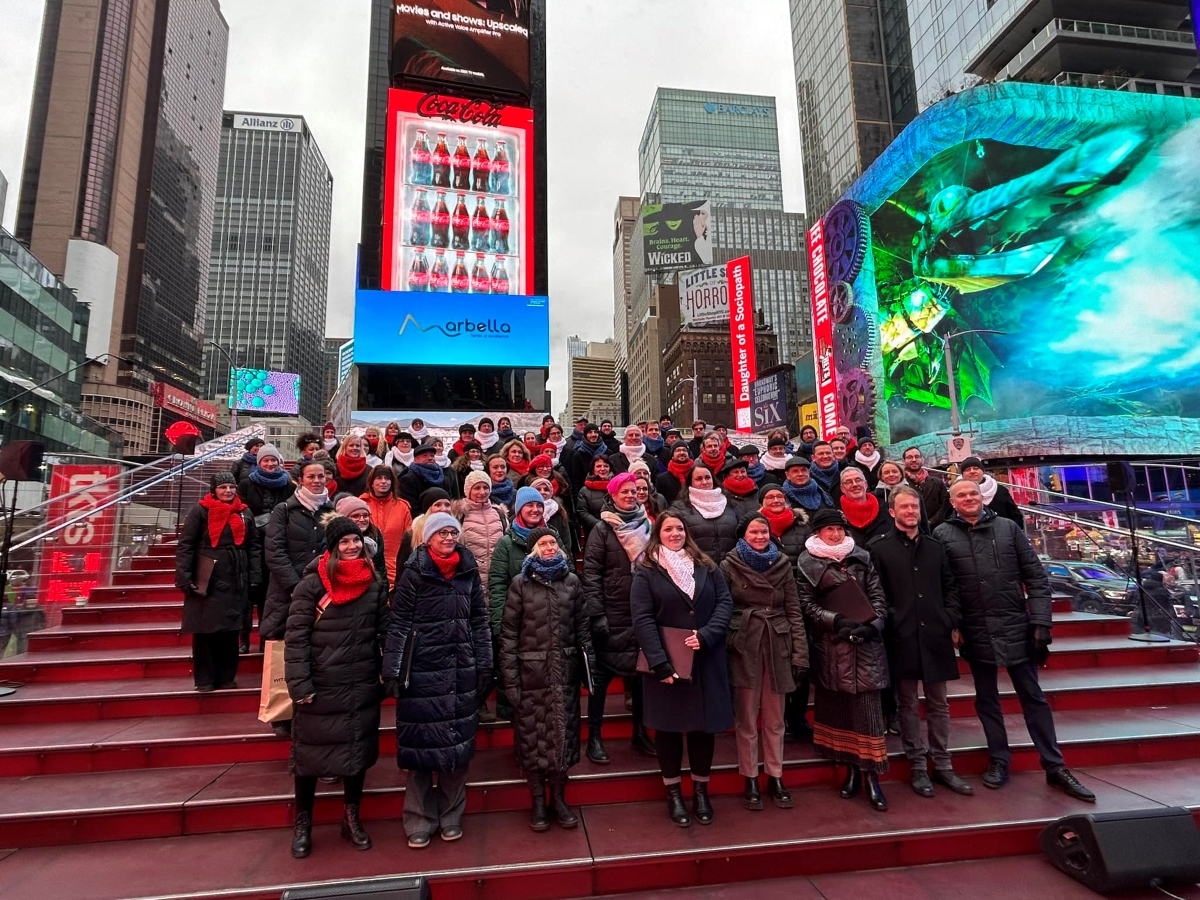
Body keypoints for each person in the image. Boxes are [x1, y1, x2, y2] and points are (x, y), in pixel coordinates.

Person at [935, 480, 1095, 801]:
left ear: (981, 497)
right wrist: (954, 625)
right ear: (953, 502)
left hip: (1015, 625)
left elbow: (1035, 576)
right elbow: (944, 587)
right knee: (986, 699)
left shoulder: (1008, 528)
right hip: (975, 628)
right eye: (961, 495)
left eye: (972, 493)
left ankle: (1054, 765)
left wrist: (1041, 624)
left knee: (1033, 697)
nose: (968, 499)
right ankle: (999, 759)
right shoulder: (941, 535)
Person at [383, 513, 492, 848]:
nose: (448, 537)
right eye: (442, 532)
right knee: (419, 748)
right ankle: (419, 818)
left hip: (460, 667)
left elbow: (478, 619)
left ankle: (451, 815)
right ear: (427, 537)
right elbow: (399, 621)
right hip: (422, 669)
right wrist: (393, 669)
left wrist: (485, 663)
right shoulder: (414, 571)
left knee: (456, 749)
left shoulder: (467, 569)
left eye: (453, 532)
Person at [285, 516, 388, 858]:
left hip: (360, 681)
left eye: (356, 540)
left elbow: (383, 630)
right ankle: (304, 824)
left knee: (356, 755)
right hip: (321, 683)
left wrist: (387, 672)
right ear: (332, 547)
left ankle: (351, 818)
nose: (352, 546)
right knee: (309, 758)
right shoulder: (312, 584)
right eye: (344, 542)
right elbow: (296, 637)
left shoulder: (372, 582)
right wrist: (299, 683)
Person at [869, 486, 973, 799]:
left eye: (914, 507)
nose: (911, 512)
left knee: (939, 703)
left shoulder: (935, 546)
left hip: (935, 634)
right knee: (907, 704)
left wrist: (949, 618)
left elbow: (951, 586)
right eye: (904, 507)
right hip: (901, 636)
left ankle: (943, 764)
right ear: (892, 512)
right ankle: (917, 765)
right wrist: (892, 620)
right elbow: (876, 593)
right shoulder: (879, 548)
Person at [631, 512, 733, 827]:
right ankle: (673, 793)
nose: (674, 533)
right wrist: (659, 662)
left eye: (679, 528)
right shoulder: (647, 572)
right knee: (669, 731)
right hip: (668, 662)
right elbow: (643, 618)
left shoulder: (707, 566)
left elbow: (725, 604)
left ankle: (701, 791)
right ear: (657, 533)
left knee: (703, 729)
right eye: (668, 529)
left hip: (706, 660)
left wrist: (707, 634)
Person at [796, 508, 890, 812]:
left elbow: (878, 596)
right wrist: (834, 621)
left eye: (839, 529)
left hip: (866, 646)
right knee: (839, 711)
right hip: (832, 645)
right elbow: (806, 604)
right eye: (829, 530)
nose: (835, 534)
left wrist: (872, 624)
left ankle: (872, 776)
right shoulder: (808, 562)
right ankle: (850, 769)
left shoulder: (862, 556)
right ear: (817, 533)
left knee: (868, 713)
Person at [501, 527, 595, 831]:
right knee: (533, 740)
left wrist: (588, 671)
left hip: (564, 674)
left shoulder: (572, 581)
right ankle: (538, 802)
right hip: (532, 676)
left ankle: (559, 799)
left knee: (562, 738)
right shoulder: (520, 584)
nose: (549, 546)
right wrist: (511, 681)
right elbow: (508, 638)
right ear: (533, 550)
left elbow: (583, 630)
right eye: (543, 543)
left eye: (553, 541)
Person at [720, 513, 808, 811]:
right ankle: (750, 776)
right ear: (742, 535)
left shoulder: (783, 564)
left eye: (764, 532)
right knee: (746, 718)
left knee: (774, 718)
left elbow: (794, 610)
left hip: (777, 643)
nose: (760, 537)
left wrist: (800, 652)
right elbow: (724, 609)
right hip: (745, 644)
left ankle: (776, 774)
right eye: (754, 532)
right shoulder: (728, 565)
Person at [582, 472, 655, 763]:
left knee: (640, 678)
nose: (630, 495)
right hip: (612, 612)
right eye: (624, 491)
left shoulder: (649, 525)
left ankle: (639, 732)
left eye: (635, 491)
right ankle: (595, 737)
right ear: (612, 496)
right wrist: (597, 613)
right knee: (601, 678)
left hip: (643, 613)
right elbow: (591, 573)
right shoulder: (603, 529)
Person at [176, 473, 258, 692]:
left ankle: (226, 677)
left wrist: (255, 575)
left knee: (230, 630)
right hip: (208, 577)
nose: (228, 491)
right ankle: (205, 679)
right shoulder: (200, 511)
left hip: (236, 576)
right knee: (205, 630)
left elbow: (253, 546)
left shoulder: (244, 512)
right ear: (214, 490)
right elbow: (186, 545)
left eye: (232, 487)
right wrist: (184, 577)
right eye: (223, 487)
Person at [260, 461, 337, 681]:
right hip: (286, 591)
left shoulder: (331, 511)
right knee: (286, 642)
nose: (316, 481)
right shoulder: (284, 510)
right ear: (300, 480)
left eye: (320, 476)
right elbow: (274, 551)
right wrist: (295, 585)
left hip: (322, 590)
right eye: (311, 477)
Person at [237, 444, 295, 653]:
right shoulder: (246, 484)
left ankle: (265, 637)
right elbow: (241, 510)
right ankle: (243, 637)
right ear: (259, 462)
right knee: (248, 595)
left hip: (278, 544)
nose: (270, 464)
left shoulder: (289, 485)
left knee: (269, 596)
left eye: (273, 460)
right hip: (252, 545)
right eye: (265, 461)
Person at [453, 470, 509, 591]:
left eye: (485, 487)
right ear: (468, 490)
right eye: (477, 488)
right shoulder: (459, 515)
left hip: (497, 579)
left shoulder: (499, 514)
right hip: (469, 579)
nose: (482, 492)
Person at [671, 464, 738, 565]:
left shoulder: (730, 504)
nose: (704, 482)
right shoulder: (679, 508)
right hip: (698, 568)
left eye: (708, 477)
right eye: (698, 479)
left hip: (730, 569)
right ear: (690, 483)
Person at [361, 465, 412, 589]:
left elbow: (410, 542)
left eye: (387, 478)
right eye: (379, 478)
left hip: (397, 571)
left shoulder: (402, 507)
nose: (383, 481)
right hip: (366, 572)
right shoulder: (361, 504)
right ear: (371, 483)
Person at [394, 488, 452, 582]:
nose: (444, 509)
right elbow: (401, 574)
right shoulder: (411, 536)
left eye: (447, 505)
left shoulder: (458, 535)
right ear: (428, 509)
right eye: (437, 505)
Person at [959, 456, 1023, 529]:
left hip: (1000, 534)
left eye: (976, 468)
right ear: (962, 474)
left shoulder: (1000, 490)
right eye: (968, 469)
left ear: (982, 471)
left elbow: (1015, 516)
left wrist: (1013, 535)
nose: (972, 471)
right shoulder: (956, 493)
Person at [397, 440, 459, 512]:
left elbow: (449, 503)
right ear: (415, 460)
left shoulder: (444, 479)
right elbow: (411, 506)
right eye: (425, 456)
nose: (430, 458)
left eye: (432, 456)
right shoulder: (408, 479)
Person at [757, 483, 812, 562]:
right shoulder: (755, 525)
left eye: (780, 496)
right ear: (762, 502)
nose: (776, 500)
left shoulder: (801, 524)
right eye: (770, 497)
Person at [838, 468, 892, 545]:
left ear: (865, 484)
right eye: (848, 482)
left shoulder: (887, 509)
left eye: (858, 480)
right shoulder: (837, 516)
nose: (854, 484)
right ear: (842, 489)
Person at [335, 495, 387, 575]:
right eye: (356, 516)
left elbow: (380, 569)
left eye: (365, 515)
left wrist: (381, 586)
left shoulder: (375, 534)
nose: (362, 520)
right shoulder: (334, 535)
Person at [903, 447, 950, 529]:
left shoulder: (937, 482)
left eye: (917, 457)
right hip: (909, 528)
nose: (914, 460)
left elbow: (945, 505)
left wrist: (931, 522)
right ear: (904, 461)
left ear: (922, 459)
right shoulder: (901, 484)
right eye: (909, 457)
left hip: (936, 528)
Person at [575, 454, 612, 538]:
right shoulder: (584, 490)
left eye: (606, 466)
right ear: (593, 470)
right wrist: (600, 526)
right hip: (594, 532)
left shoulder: (617, 487)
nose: (602, 469)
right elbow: (582, 512)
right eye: (598, 466)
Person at [567, 423, 608, 495]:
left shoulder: (607, 452)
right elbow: (576, 480)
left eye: (595, 432)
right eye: (590, 432)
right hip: (586, 494)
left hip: (606, 491)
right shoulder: (578, 454)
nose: (593, 435)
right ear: (585, 435)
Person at [531, 476, 571, 544]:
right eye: (538, 489)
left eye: (546, 489)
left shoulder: (559, 513)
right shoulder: (525, 512)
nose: (542, 492)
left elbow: (566, 541)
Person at [720, 458, 759, 522]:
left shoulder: (755, 490)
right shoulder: (723, 493)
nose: (740, 475)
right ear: (728, 475)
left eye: (743, 471)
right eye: (736, 472)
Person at [333, 435, 371, 500]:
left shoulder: (369, 470)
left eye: (357, 446)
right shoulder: (334, 468)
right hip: (338, 507)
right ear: (345, 447)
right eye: (351, 445)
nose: (355, 448)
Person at [656, 442, 692, 506]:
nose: (682, 453)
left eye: (684, 450)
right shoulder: (662, 479)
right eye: (678, 450)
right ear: (672, 456)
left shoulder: (695, 475)